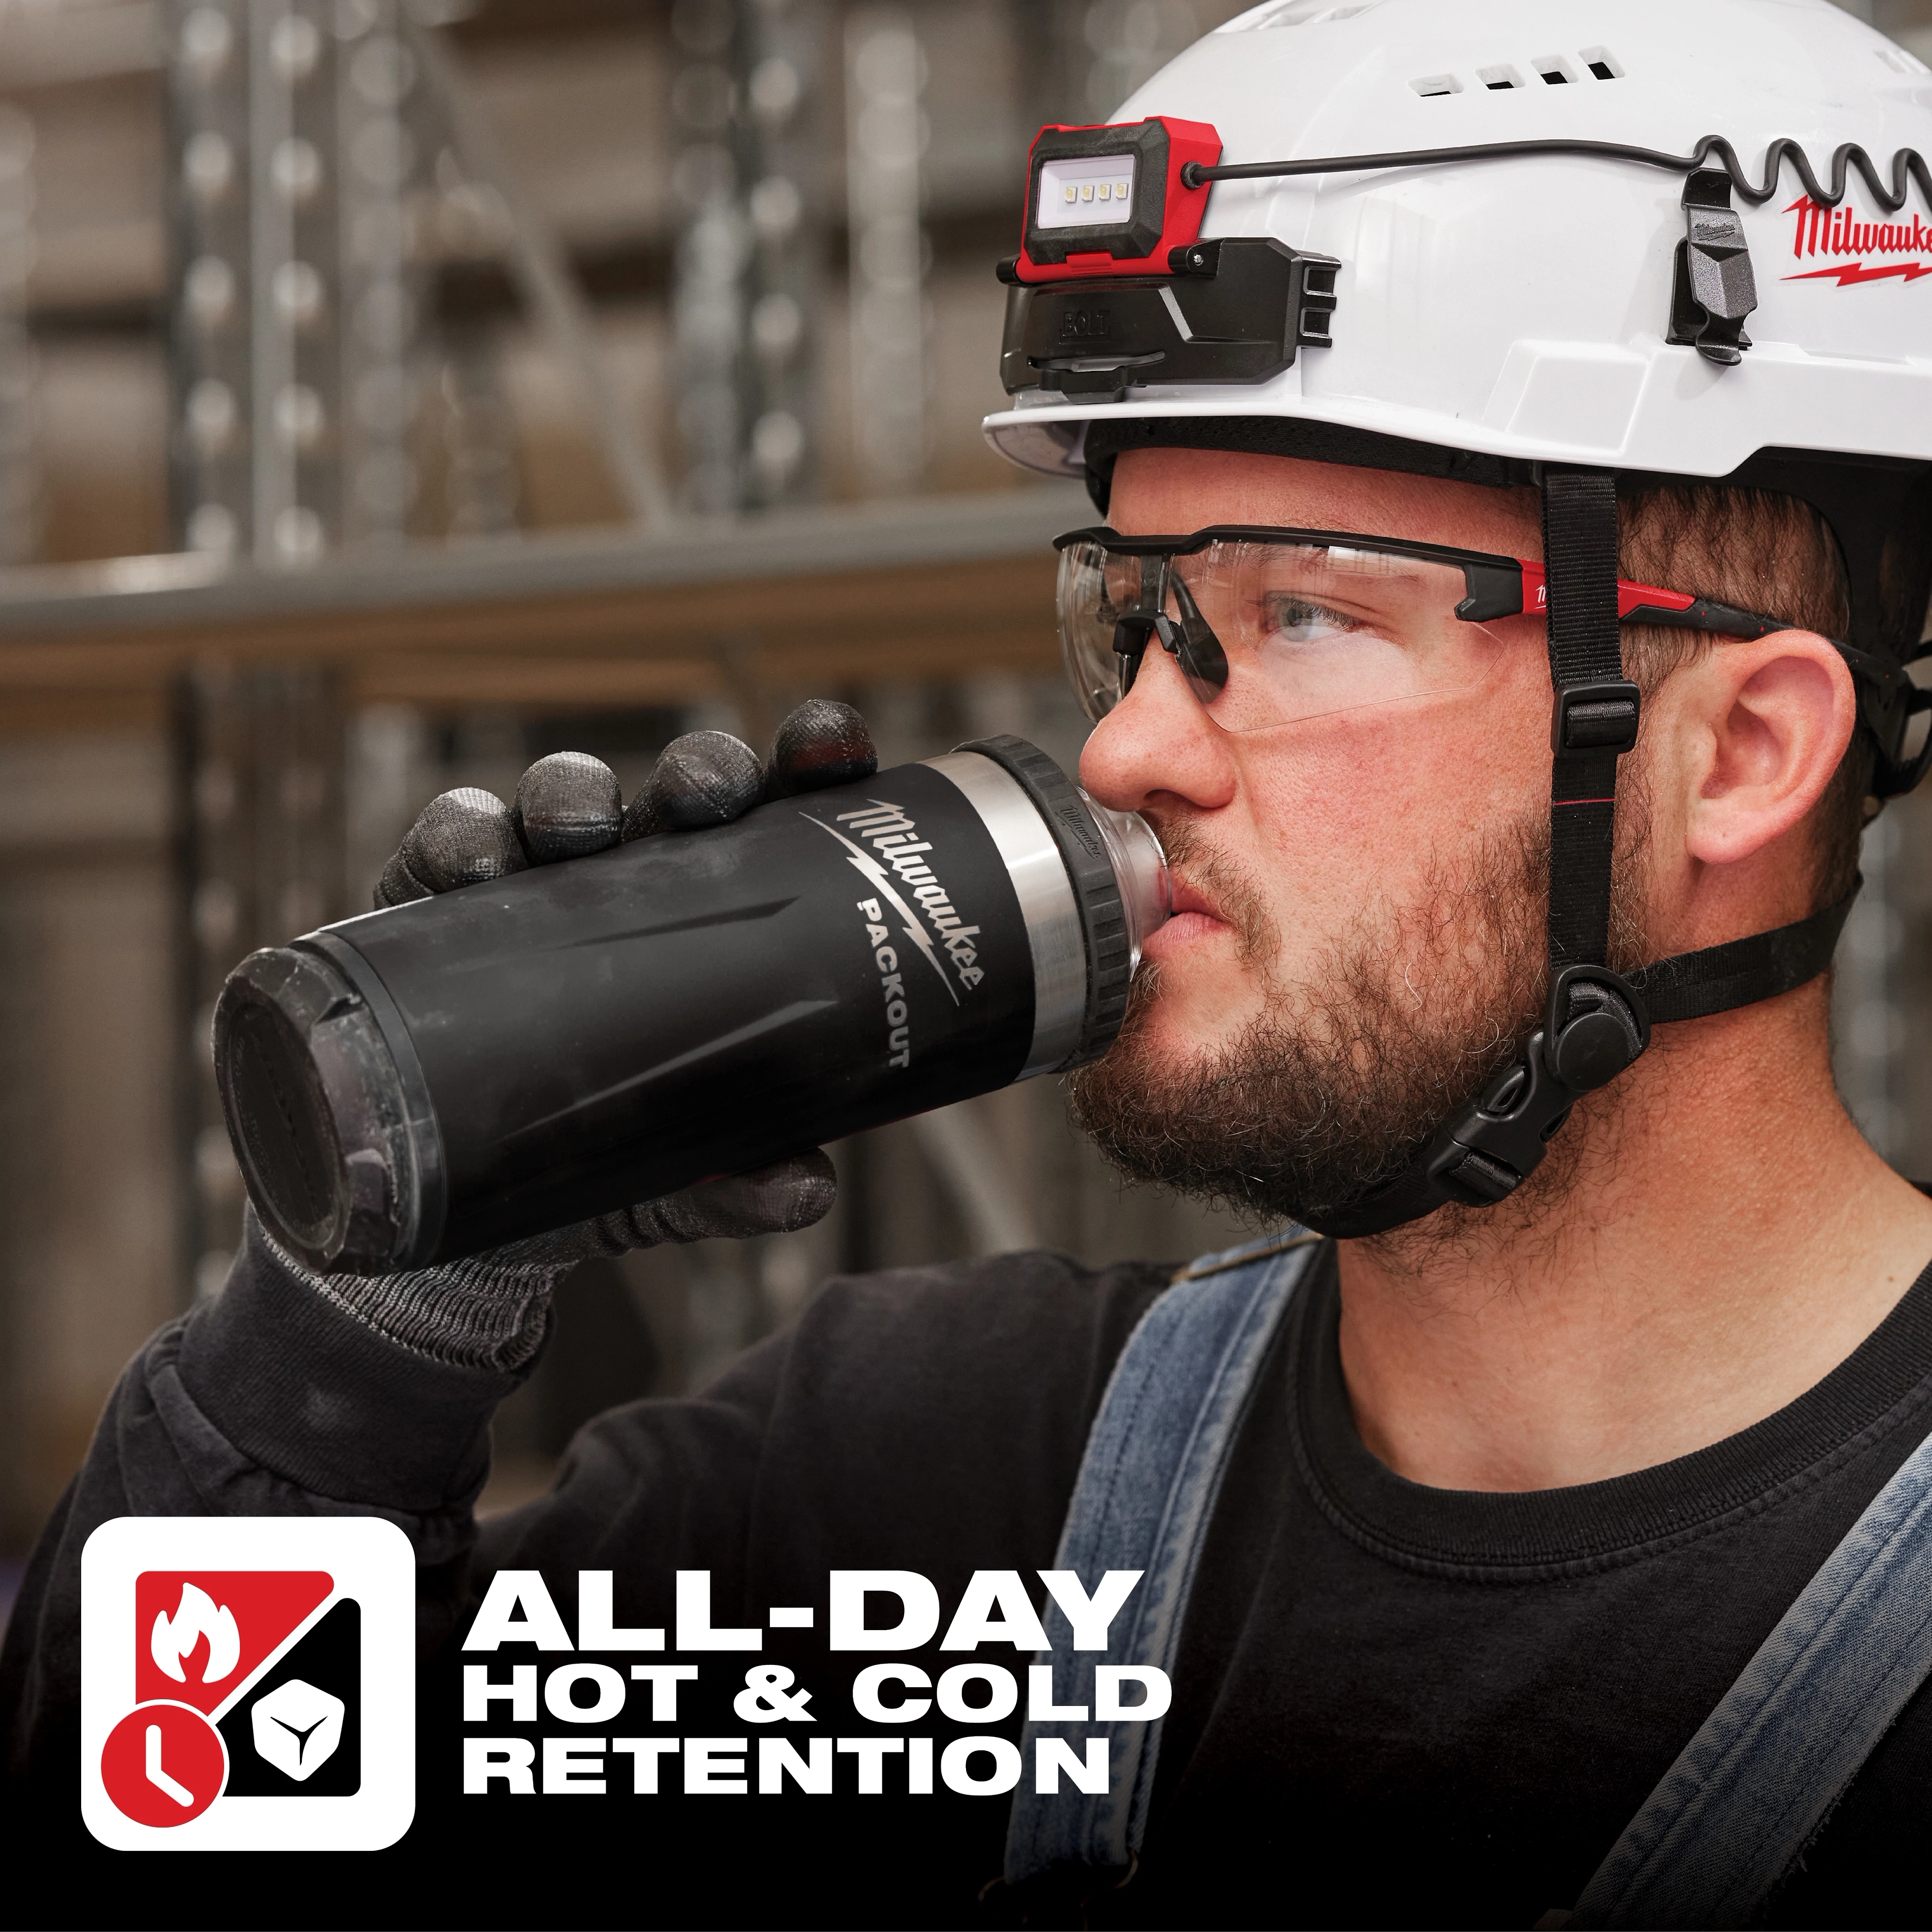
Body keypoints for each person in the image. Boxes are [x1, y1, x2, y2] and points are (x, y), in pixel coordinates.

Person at [9, 0, 1932, 1924]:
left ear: (1738, 753)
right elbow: (173, 1822)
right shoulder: (935, 1504)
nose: (1126, 750)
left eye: (1305, 615)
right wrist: (366, 1333)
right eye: (1145, 615)